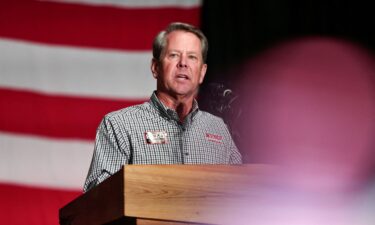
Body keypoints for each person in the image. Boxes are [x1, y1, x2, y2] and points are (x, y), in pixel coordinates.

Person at [83, 22, 242, 192]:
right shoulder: (119, 124)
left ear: (202, 73)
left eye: (192, 57)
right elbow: (98, 196)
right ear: (155, 67)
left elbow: (243, 192)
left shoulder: (218, 128)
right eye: (174, 55)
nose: (183, 63)